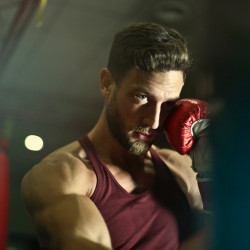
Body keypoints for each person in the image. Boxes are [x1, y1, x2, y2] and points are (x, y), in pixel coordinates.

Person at [21, 22, 208, 250]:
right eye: (141, 97)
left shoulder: (181, 169)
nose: (155, 121)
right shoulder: (62, 176)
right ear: (107, 84)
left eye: (168, 104)